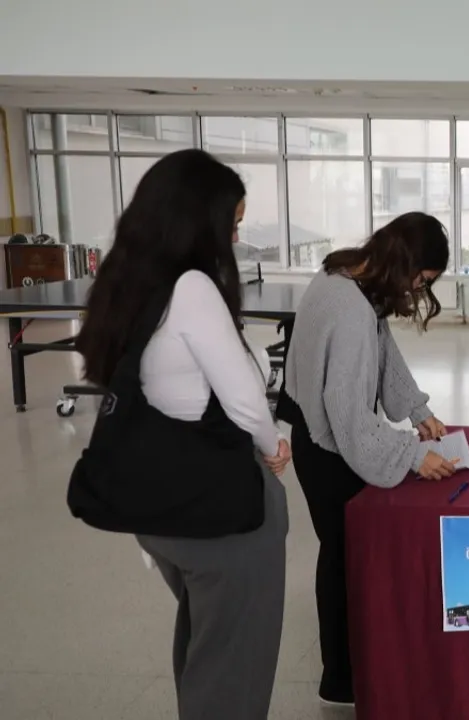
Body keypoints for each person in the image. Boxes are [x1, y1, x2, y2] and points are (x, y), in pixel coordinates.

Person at [75, 149, 292, 720]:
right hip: (221, 511)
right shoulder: (193, 287)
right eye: (232, 223)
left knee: (205, 646)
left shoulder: (130, 286)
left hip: (159, 510)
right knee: (234, 666)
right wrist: (274, 446)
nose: (236, 237)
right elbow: (244, 399)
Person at [277, 211, 456, 706]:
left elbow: (383, 348)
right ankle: (342, 681)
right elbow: (351, 420)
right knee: (344, 559)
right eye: (421, 279)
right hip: (329, 450)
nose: (419, 291)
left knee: (343, 554)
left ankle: (351, 667)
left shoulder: (343, 275)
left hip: (314, 435)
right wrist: (412, 454)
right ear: (405, 263)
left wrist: (416, 409)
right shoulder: (351, 312)